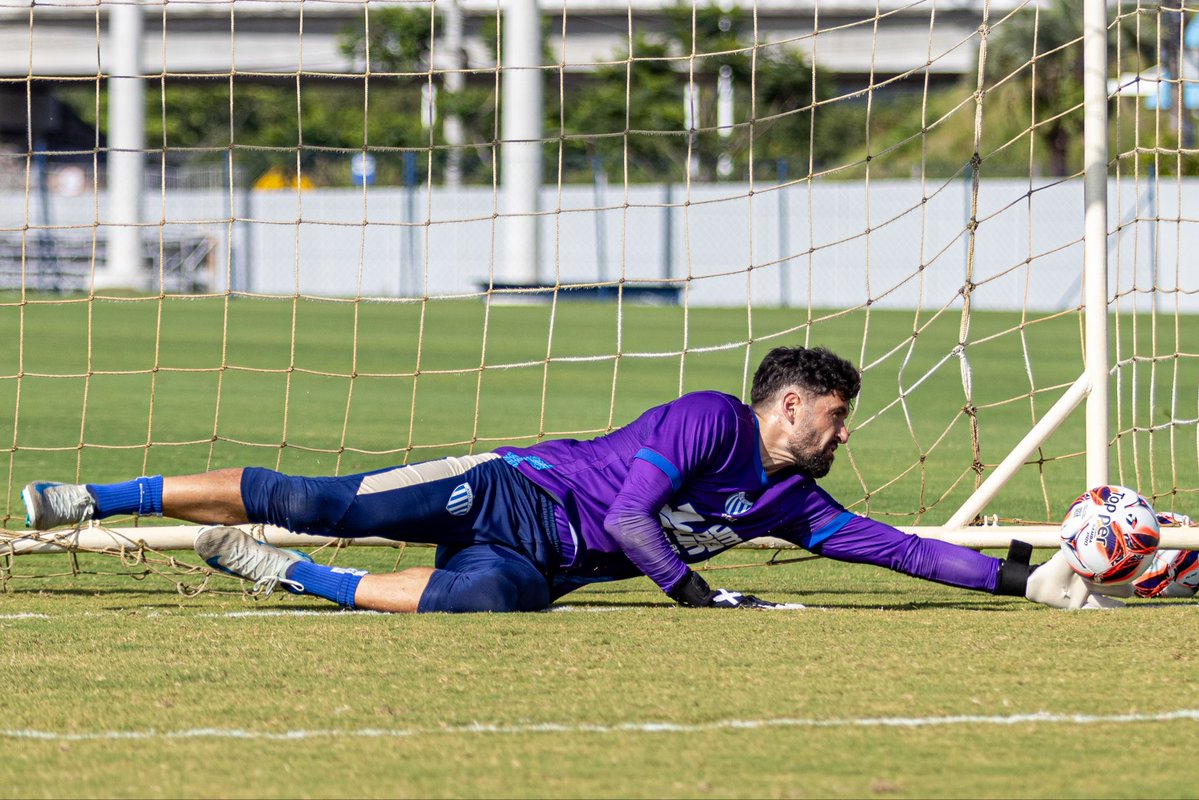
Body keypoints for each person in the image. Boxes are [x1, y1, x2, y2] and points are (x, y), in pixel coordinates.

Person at [20, 345, 1105, 613]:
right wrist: (696, 594)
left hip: (535, 562)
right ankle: (94, 499)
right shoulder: (707, 418)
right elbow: (633, 515)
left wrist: (1029, 580)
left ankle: (287, 577)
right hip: (507, 492)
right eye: (831, 418)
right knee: (324, 497)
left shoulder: (791, 500)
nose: (838, 437)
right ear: (785, 405)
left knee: (489, 603)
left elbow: (899, 547)